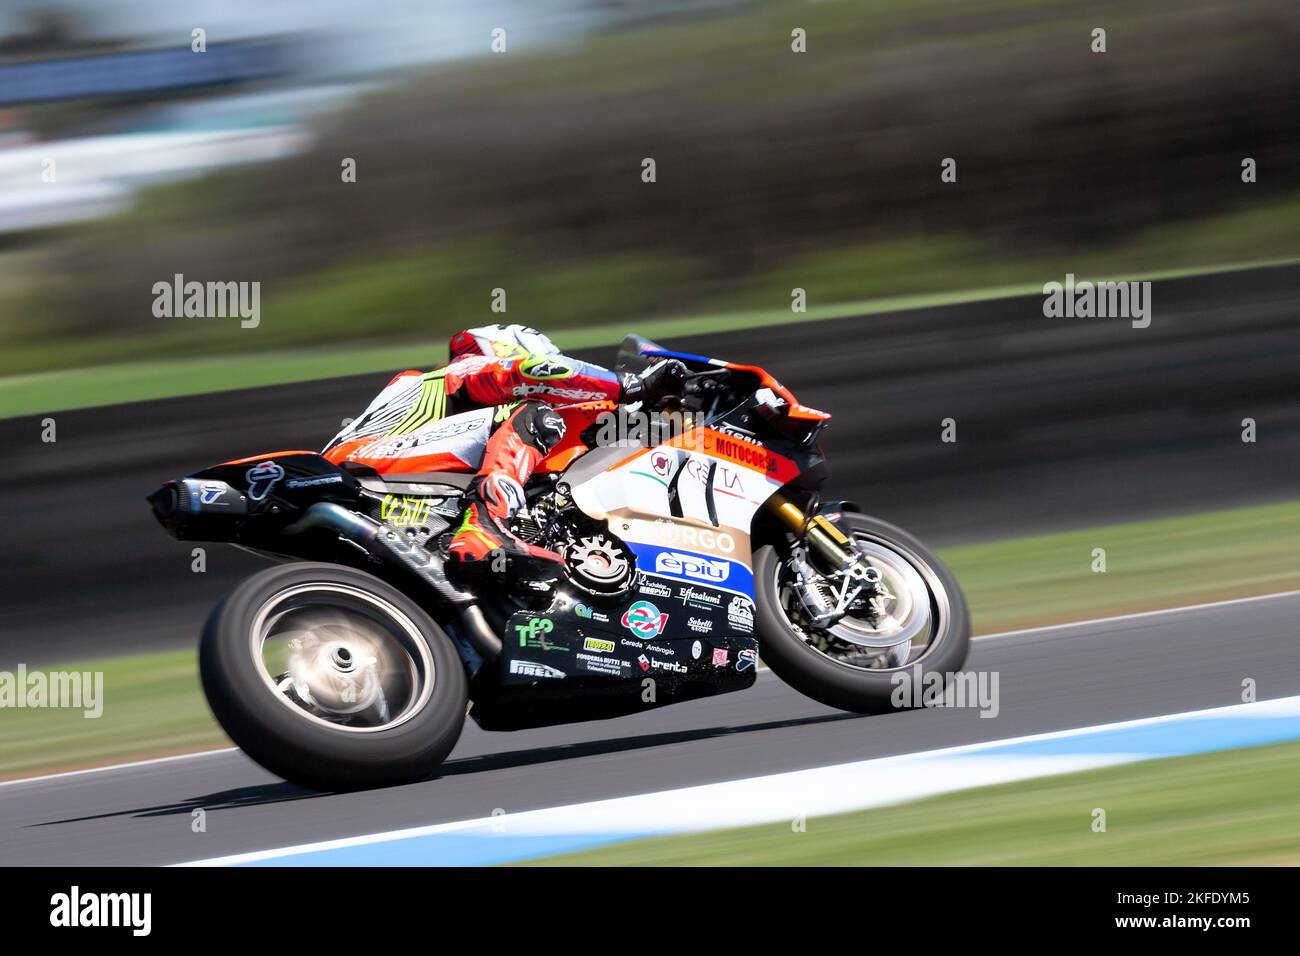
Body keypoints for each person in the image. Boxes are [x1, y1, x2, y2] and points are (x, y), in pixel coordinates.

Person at [324, 324, 685, 588]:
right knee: (540, 415)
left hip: (388, 474)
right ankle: (486, 526)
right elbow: (532, 372)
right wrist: (632, 387)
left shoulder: (449, 403)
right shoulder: (460, 371)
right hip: (370, 463)